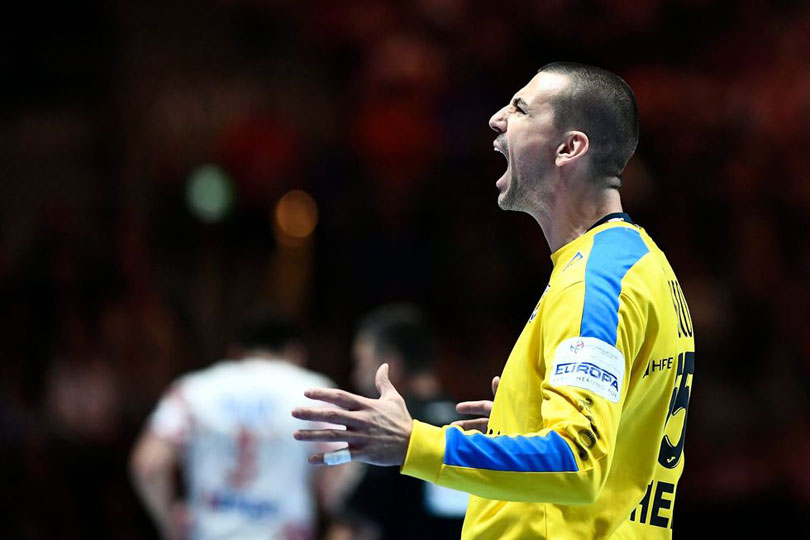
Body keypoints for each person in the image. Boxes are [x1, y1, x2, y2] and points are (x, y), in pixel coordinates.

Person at [292, 62, 695, 539]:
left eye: (521, 109)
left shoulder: (596, 281)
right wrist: (518, 424)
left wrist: (412, 443)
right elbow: (613, 441)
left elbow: (578, 461)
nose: (496, 119)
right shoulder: (642, 265)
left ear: (569, 148)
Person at [131, 308, 349, 540]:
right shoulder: (315, 393)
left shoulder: (192, 390)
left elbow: (148, 465)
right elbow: (346, 467)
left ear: (235, 352)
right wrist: (337, 521)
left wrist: (168, 522)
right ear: (296, 353)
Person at [328, 304, 467, 540]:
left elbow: (354, 529)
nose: (355, 376)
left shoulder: (391, 432)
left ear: (389, 365)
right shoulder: (469, 424)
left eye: (361, 363)